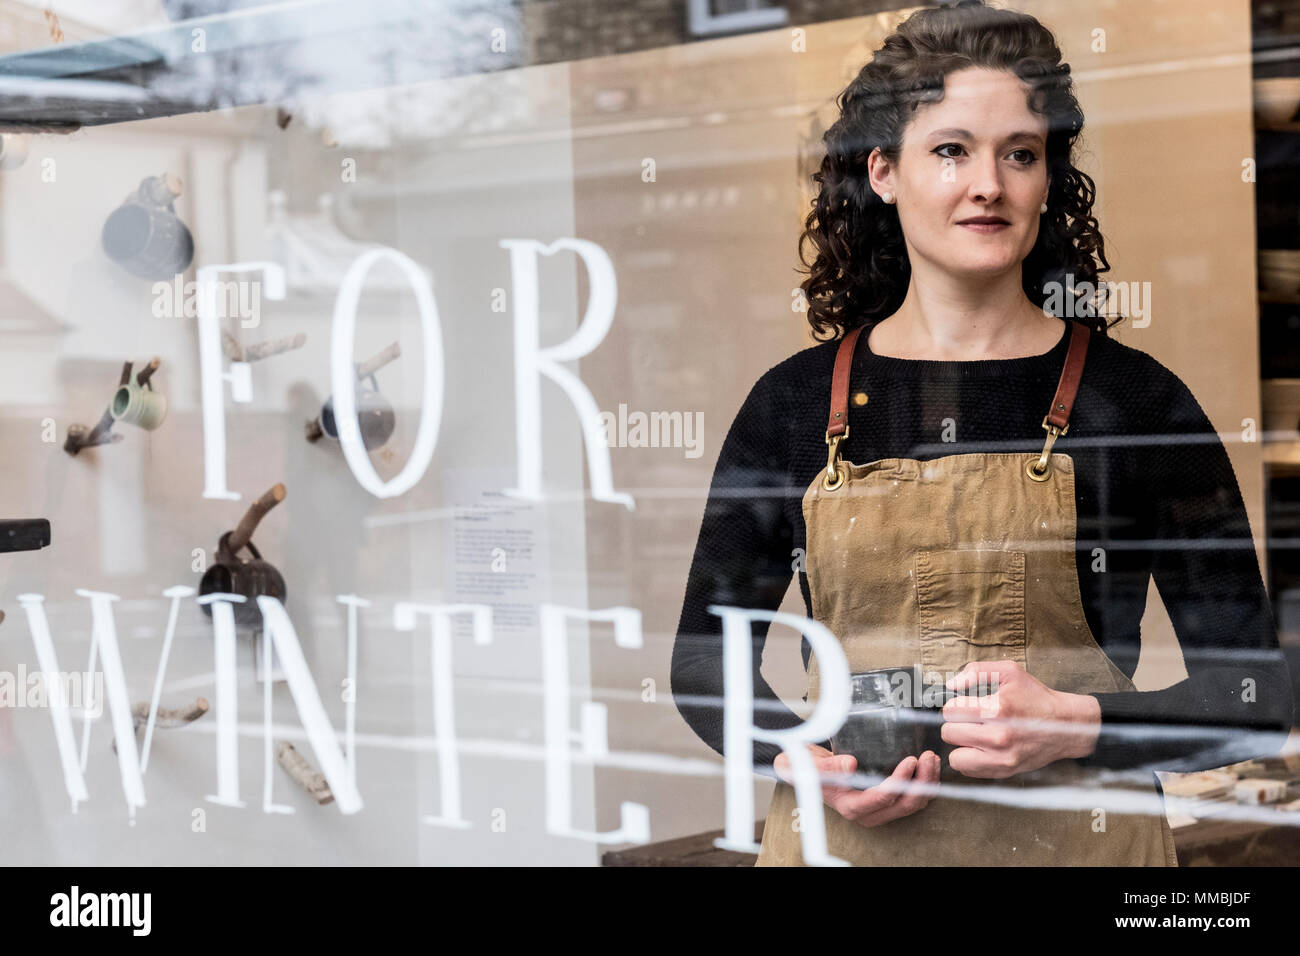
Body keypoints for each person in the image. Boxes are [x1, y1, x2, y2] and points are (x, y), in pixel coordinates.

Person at [670, 0, 1294, 867]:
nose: (989, 185)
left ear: (1048, 180)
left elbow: (1254, 691)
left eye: (1021, 154)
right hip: (845, 847)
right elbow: (704, 663)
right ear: (883, 171)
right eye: (952, 149)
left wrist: (1084, 725)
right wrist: (799, 757)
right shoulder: (795, 404)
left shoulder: (1137, 404)